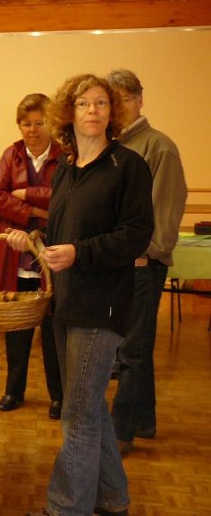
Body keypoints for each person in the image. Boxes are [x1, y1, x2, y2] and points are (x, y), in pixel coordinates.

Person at [11, 73, 154, 516]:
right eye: (83, 103)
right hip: (67, 302)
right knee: (89, 408)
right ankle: (113, 499)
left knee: (76, 411)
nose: (93, 110)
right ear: (68, 113)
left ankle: (65, 507)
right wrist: (33, 237)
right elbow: (60, 232)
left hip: (104, 304)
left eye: (101, 103)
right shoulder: (69, 169)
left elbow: (136, 235)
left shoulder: (127, 165)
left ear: (112, 113)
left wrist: (80, 253)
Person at [106, 69, 187, 456]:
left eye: (123, 98)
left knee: (132, 350)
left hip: (141, 265)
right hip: (117, 264)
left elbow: (166, 215)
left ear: (140, 99)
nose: (116, 107)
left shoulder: (158, 146)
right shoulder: (111, 147)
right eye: (111, 100)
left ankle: (121, 432)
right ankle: (145, 420)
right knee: (133, 347)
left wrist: (143, 255)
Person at [0, 93, 63, 419]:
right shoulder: (11, 154)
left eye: (39, 122)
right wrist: (34, 211)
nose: (32, 129)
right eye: (26, 123)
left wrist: (25, 194)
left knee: (53, 331)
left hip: (53, 256)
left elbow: (63, 198)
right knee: (16, 327)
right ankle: (13, 391)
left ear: (52, 123)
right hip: (15, 254)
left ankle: (58, 396)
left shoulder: (66, 156)